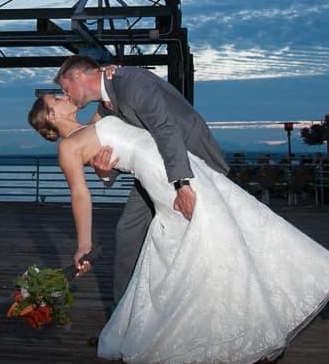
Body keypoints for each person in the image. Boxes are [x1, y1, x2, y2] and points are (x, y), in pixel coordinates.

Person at [27, 94, 329, 364]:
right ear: (51, 117)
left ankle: (307, 291)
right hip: (167, 183)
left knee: (243, 226)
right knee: (249, 224)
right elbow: (80, 196)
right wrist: (84, 245)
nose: (62, 96)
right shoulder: (68, 147)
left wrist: (107, 168)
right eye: (55, 99)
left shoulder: (95, 119)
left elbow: (117, 153)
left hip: (183, 167)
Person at [55, 55, 229, 303]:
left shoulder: (130, 81)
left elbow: (164, 128)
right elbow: (117, 144)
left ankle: (207, 296)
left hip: (188, 156)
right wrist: (105, 172)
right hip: (152, 170)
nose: (66, 95)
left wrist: (182, 184)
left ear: (78, 76)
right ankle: (124, 317)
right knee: (128, 231)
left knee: (204, 229)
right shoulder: (105, 106)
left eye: (65, 89)